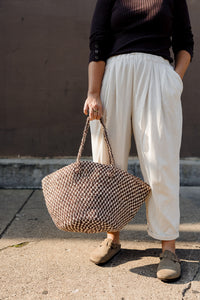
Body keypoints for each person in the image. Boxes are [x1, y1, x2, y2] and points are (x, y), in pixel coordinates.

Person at [83, 0, 194, 282]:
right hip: (114, 75)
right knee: (108, 161)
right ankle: (112, 236)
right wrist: (93, 92)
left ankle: (168, 246)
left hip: (158, 76)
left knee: (162, 161)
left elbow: (185, 41)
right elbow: (98, 41)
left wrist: (175, 81)